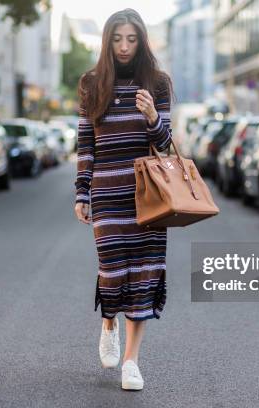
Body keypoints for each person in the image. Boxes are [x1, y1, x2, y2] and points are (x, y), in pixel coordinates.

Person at [72, 8, 174, 391]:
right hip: (107, 193)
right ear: (107, 41)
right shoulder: (92, 83)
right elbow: (86, 143)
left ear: (142, 41)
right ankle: (108, 323)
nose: (125, 47)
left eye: (132, 39)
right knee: (113, 269)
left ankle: (132, 361)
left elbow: (165, 145)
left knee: (145, 272)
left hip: (149, 197)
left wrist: (152, 116)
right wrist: (82, 192)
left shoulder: (158, 84)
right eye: (118, 39)